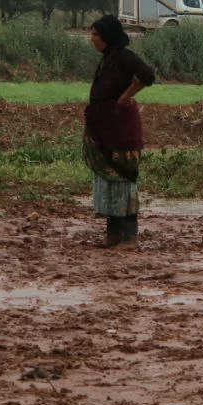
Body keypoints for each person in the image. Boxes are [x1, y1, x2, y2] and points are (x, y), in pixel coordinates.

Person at [84, 15, 156, 247]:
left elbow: (147, 76)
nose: (92, 39)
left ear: (107, 36)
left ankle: (129, 237)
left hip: (121, 130)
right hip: (105, 129)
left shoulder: (124, 57)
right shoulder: (108, 58)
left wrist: (124, 98)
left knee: (124, 181)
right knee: (108, 183)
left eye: (95, 34)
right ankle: (113, 236)